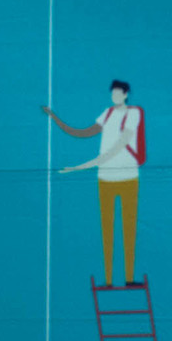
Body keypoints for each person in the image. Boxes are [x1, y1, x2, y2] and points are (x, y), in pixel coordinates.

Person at [44, 81, 144, 287]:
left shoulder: (133, 114)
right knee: (107, 230)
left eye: (118, 92)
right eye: (112, 92)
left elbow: (118, 147)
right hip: (105, 179)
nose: (114, 95)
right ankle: (108, 280)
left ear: (126, 94)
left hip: (128, 177)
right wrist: (55, 118)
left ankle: (129, 278)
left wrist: (81, 167)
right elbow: (82, 132)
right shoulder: (107, 114)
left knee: (128, 228)